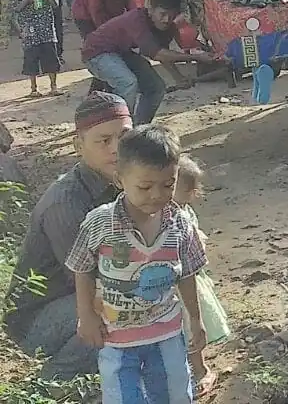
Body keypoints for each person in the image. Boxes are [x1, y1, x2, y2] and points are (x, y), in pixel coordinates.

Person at [66, 125, 207, 404]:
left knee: (174, 394)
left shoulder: (180, 225)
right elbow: (81, 268)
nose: (156, 195)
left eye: (168, 185)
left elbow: (188, 274)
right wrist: (87, 315)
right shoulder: (100, 223)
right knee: (122, 398)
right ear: (120, 180)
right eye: (145, 186)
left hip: (166, 332)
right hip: (116, 339)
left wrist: (196, 319)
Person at [4, 93, 132, 381]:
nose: (116, 149)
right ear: (78, 146)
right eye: (103, 141)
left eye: (124, 137)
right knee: (120, 310)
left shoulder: (126, 183)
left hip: (79, 297)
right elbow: (91, 278)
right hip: (38, 320)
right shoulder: (65, 202)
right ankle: (51, 383)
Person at [82, 0, 217, 125]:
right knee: (128, 83)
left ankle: (139, 128)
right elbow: (157, 54)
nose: (166, 20)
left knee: (156, 88)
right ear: (151, 10)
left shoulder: (168, 26)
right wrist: (198, 58)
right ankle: (121, 129)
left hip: (121, 53)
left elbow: (164, 55)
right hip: (95, 53)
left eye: (172, 16)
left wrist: (179, 78)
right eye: (162, 14)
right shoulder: (136, 20)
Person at [174, 156, 230, 396]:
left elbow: (194, 244)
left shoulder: (183, 213)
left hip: (188, 282)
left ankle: (199, 370)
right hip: (169, 284)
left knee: (190, 328)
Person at [13, 0, 62, 97]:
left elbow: (56, 4)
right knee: (31, 60)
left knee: (51, 59)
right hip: (30, 32)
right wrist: (26, 0)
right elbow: (15, 9)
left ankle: (53, 86)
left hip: (47, 30)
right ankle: (34, 89)